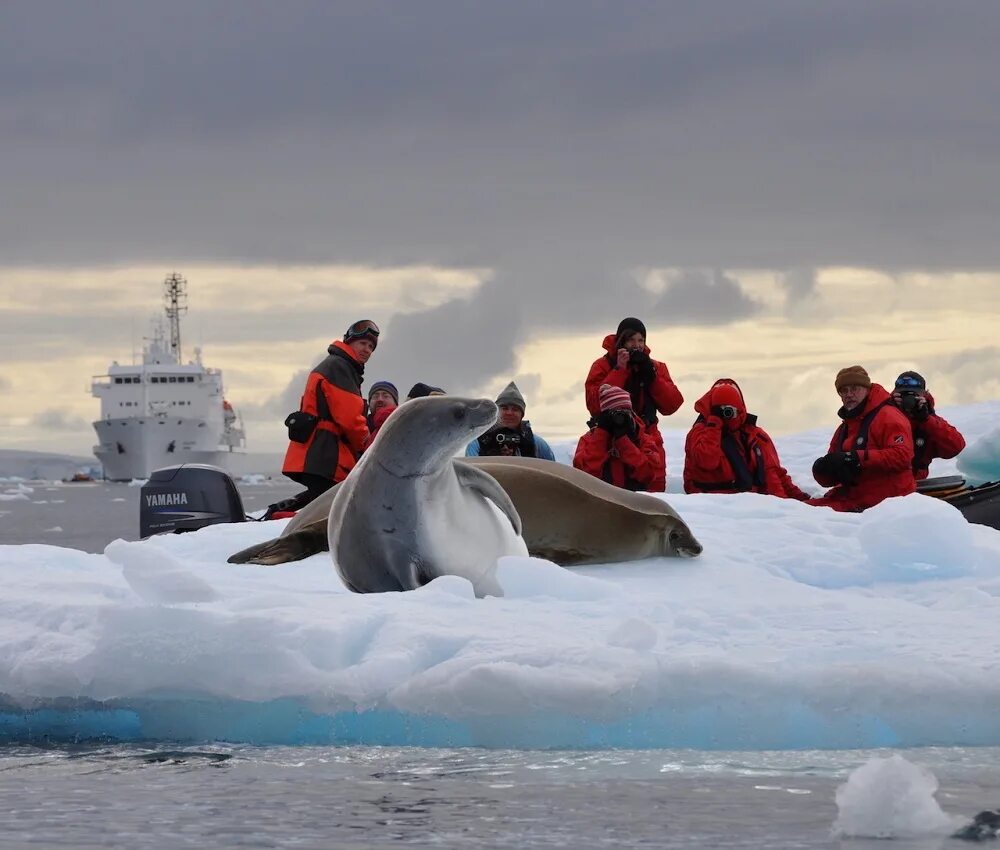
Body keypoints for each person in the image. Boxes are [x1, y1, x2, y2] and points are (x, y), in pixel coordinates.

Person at [277, 319, 377, 512]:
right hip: (326, 456)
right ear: (348, 342)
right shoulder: (340, 367)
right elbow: (350, 419)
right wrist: (367, 446)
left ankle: (278, 514)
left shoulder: (335, 366)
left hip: (317, 454)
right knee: (333, 511)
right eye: (363, 343)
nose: (367, 350)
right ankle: (278, 521)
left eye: (371, 347)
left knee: (321, 503)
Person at [584, 317, 683, 487]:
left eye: (641, 340)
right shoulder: (602, 366)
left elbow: (672, 405)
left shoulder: (656, 367)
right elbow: (594, 405)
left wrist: (652, 377)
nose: (636, 345)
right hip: (611, 438)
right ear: (620, 341)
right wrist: (620, 370)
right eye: (631, 340)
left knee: (653, 495)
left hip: (649, 438)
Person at [809, 365, 915, 512]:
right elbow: (835, 471)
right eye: (843, 391)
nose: (849, 394)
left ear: (867, 389)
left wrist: (856, 458)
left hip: (887, 503)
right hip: (855, 499)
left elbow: (902, 456)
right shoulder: (844, 428)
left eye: (854, 388)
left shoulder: (888, 416)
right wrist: (822, 471)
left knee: (806, 516)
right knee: (800, 511)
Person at [683, 378, 810, 500]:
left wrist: (799, 500)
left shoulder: (756, 435)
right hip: (717, 510)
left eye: (730, 410)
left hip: (762, 507)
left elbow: (776, 473)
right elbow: (707, 461)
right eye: (722, 409)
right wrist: (714, 424)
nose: (727, 415)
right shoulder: (700, 434)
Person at [573, 384, 664, 492]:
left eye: (626, 413)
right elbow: (584, 476)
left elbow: (649, 475)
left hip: (635, 501)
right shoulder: (589, 440)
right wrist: (602, 434)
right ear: (604, 416)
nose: (620, 419)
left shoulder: (643, 440)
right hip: (602, 501)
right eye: (615, 413)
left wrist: (624, 442)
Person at [890, 370, 966, 480]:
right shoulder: (882, 417)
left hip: (917, 485)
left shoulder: (929, 421)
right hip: (886, 484)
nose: (908, 400)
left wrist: (926, 420)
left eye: (914, 395)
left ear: (924, 395)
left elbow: (955, 447)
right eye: (903, 395)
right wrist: (890, 410)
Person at [465, 381, 556, 460]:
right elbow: (469, 474)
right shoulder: (478, 443)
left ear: (522, 415)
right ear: (496, 412)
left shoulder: (536, 444)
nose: (509, 413)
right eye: (504, 408)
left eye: (515, 409)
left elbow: (553, 472)